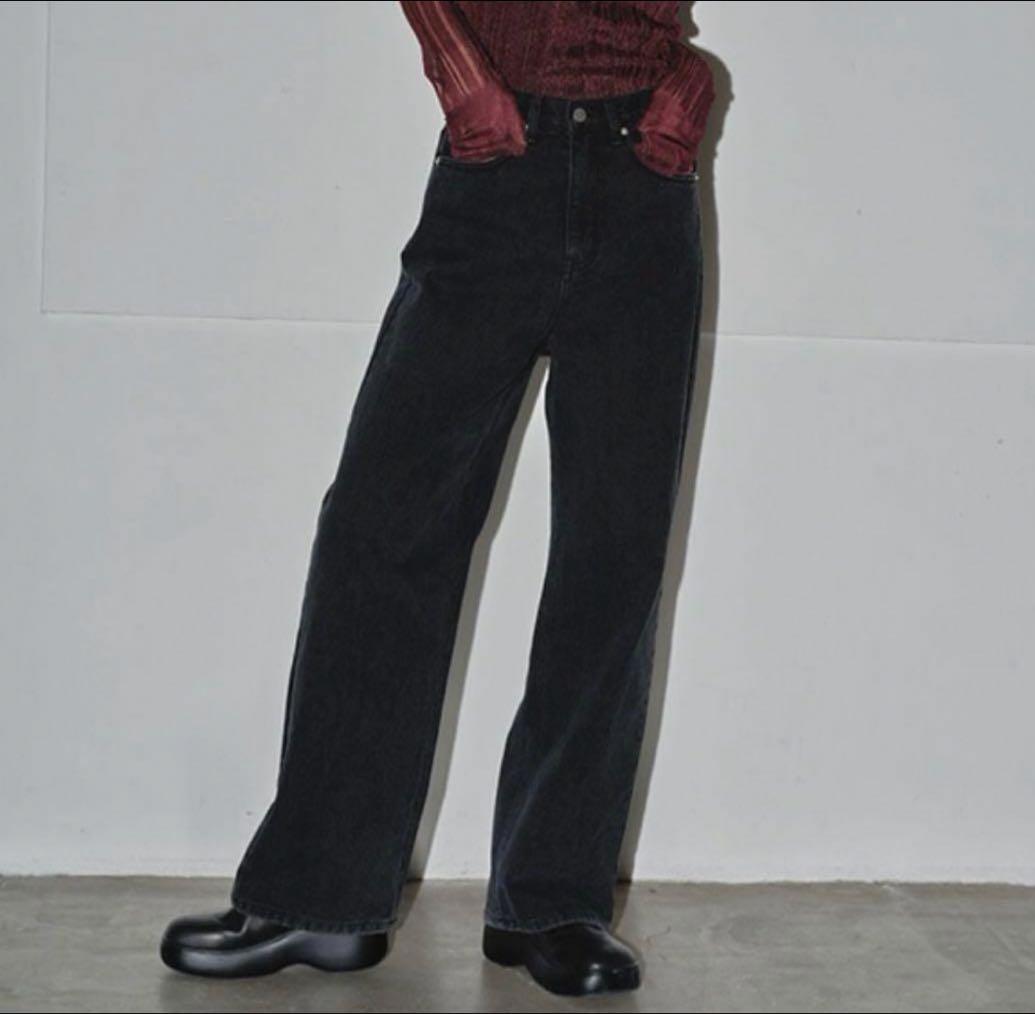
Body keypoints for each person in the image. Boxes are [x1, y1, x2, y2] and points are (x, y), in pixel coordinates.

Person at [159, 1, 714, 997]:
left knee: (613, 552)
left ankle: (553, 903)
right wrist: (455, 67)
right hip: (494, 168)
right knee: (382, 531)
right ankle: (321, 898)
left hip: (648, 172)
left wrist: (692, 79)